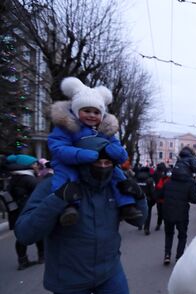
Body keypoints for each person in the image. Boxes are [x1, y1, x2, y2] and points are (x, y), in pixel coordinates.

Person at [15, 136, 147, 294]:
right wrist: (58, 199)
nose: (103, 168)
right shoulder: (54, 184)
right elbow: (25, 233)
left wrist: (139, 196)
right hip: (70, 276)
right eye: (98, 162)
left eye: (109, 163)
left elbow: (140, 221)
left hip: (109, 270)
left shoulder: (115, 187)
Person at [48, 76, 142, 226]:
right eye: (87, 110)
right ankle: (69, 207)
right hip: (70, 163)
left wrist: (116, 153)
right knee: (66, 177)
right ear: (76, 111)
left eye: (96, 112)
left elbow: (120, 151)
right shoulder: (66, 128)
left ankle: (127, 205)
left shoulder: (105, 131)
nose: (92, 115)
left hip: (99, 164)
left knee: (118, 176)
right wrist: (82, 155)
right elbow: (58, 148)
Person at [5, 154, 44, 270]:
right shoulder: (29, 178)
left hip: (17, 212)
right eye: (35, 163)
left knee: (21, 236)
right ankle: (42, 256)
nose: (37, 166)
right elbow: (41, 193)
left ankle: (23, 261)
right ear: (28, 165)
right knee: (39, 234)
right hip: (29, 211)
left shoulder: (14, 178)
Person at [158, 162, 196, 265]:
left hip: (168, 213)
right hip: (182, 215)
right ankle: (179, 257)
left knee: (169, 234)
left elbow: (159, 195)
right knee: (182, 236)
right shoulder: (189, 183)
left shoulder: (168, 183)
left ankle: (167, 255)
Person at [135, 166, 156, 235]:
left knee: (139, 212)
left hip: (137, 198)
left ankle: (139, 225)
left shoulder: (136, 179)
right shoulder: (150, 179)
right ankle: (146, 228)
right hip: (147, 199)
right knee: (148, 213)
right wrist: (154, 199)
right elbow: (152, 191)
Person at [153, 164, 169, 231]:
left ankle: (158, 224)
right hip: (166, 198)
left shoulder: (155, 174)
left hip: (159, 196)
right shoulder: (167, 178)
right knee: (167, 212)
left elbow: (156, 186)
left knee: (160, 212)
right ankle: (167, 225)